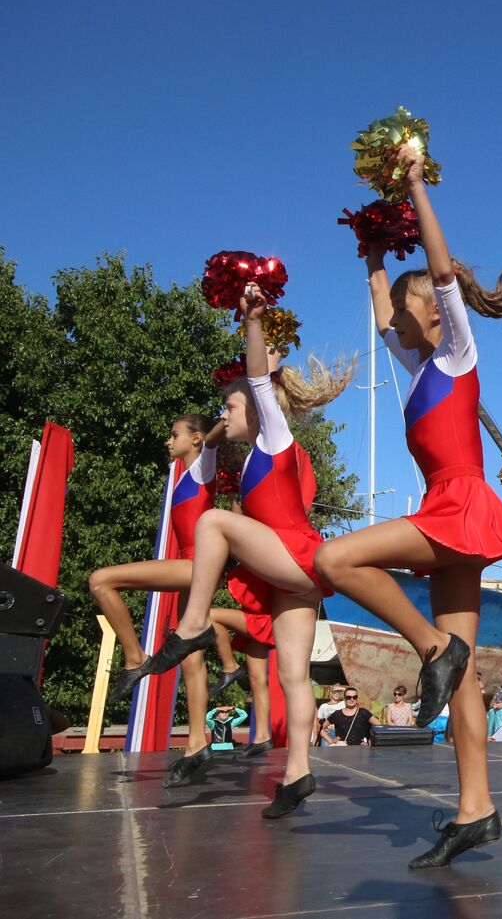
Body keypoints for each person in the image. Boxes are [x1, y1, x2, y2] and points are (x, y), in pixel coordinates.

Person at [312, 144, 502, 868]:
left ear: (433, 308)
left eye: (406, 304)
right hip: (449, 510)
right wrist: (369, 252)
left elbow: (444, 267)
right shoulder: (419, 365)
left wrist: (418, 183)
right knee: (458, 685)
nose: (395, 316)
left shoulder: (456, 350)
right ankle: (475, 806)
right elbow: (376, 310)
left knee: (334, 557)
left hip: (457, 507)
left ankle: (431, 646)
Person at [122, 285, 353, 818]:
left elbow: (254, 382)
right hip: (293, 573)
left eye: (230, 407)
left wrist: (253, 322)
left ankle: (195, 624)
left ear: (255, 407)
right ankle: (298, 771)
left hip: (291, 555)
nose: (224, 415)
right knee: (293, 675)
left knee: (213, 521)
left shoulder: (274, 436)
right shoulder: (251, 458)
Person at [96, 413, 227, 786]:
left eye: (175, 435)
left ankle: (135, 657)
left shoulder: (203, 467)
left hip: (194, 564)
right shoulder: (185, 475)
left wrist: (222, 419)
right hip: (195, 568)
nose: (169, 442)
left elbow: (216, 438)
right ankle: (197, 742)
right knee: (191, 658)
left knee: (101, 581)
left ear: (196, 438)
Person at [208, 606, 274, 758]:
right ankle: (262, 736)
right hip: (261, 612)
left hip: (262, 614)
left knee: (204, 615)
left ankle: (230, 665)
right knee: (257, 678)